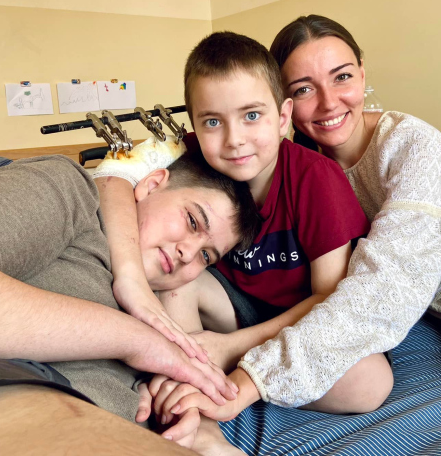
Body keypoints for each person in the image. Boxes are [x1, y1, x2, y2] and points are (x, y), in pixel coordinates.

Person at [168, 15, 441, 456]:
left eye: (342, 77)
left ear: (362, 74)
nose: (328, 102)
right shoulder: (282, 162)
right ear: (286, 106)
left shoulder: (410, 144)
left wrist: (251, 372)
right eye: (304, 88)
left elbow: (388, 281)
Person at [96, 32, 394, 454]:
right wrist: (130, 278)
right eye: (212, 122)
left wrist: (228, 349)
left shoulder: (315, 179)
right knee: (177, 282)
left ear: (283, 116)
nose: (234, 139)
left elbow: (329, 299)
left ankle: (195, 375)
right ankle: (200, 428)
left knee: (371, 383)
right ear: (193, 125)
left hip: (302, 323)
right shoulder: (187, 153)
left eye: (252, 115)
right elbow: (110, 176)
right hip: (230, 308)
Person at [0, 151, 257, 454]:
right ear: (152, 184)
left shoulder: (166, 314)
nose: (188, 253)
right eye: (192, 221)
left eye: (206, 256)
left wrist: (166, 403)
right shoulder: (69, 190)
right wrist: (135, 341)